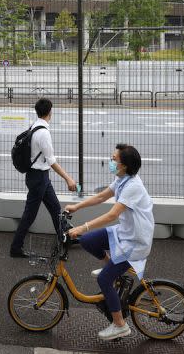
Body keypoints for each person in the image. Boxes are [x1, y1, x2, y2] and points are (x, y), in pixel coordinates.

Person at [65, 143, 154, 341]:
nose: (111, 161)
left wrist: (82, 227)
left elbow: (112, 215)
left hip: (135, 242)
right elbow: (102, 196)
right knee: (88, 241)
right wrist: (76, 207)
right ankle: (111, 267)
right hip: (125, 232)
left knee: (103, 280)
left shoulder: (133, 186)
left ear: (124, 165)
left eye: (114, 159)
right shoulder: (122, 179)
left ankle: (120, 325)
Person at [10, 98, 77, 258]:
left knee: (55, 209)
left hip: (40, 177)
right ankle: (15, 248)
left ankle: (64, 238)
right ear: (50, 112)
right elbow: (51, 160)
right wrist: (68, 179)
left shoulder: (34, 126)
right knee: (29, 215)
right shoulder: (43, 132)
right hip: (38, 178)